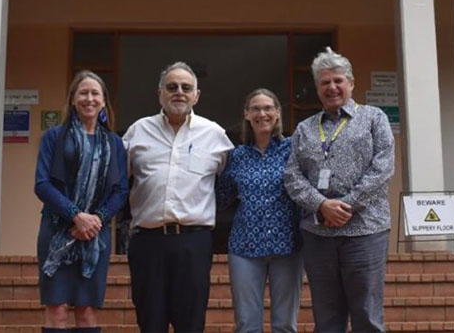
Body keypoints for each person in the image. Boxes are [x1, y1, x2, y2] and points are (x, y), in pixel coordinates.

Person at [284, 48, 395, 333]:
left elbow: (383, 168)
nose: (332, 87)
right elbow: (293, 176)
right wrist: (322, 205)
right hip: (318, 234)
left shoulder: (374, 118)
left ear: (351, 83)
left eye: (338, 80)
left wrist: (345, 205)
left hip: (365, 231)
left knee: (367, 314)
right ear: (317, 88)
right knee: (327, 317)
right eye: (325, 82)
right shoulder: (305, 129)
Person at [122, 61, 234, 333]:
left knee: (191, 323)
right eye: (172, 87)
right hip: (147, 242)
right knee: (150, 322)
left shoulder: (215, 135)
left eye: (186, 87)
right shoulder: (138, 131)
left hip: (193, 243)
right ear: (160, 93)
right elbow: (116, 182)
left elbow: (230, 185)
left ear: (197, 95)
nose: (179, 92)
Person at [34, 70, 129, 333]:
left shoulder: (115, 143)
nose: (89, 98)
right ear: (73, 99)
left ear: (103, 100)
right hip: (56, 229)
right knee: (57, 309)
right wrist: (76, 215)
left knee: (87, 311)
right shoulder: (54, 137)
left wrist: (95, 220)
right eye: (83, 93)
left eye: (95, 93)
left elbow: (121, 190)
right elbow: (42, 184)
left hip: (95, 235)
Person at [216, 89, 303, 333]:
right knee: (246, 324)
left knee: (285, 324)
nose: (261, 113)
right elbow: (221, 197)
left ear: (277, 113)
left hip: (288, 246)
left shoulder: (293, 149)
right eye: (255, 108)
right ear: (246, 114)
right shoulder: (235, 156)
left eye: (267, 108)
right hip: (244, 247)